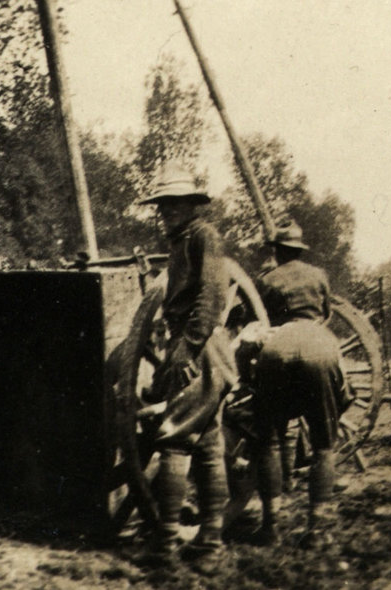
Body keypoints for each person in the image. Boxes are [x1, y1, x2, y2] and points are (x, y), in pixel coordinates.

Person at [134, 163, 236, 572]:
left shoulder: (203, 236)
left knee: (173, 439)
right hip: (198, 345)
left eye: (176, 204)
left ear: (192, 205)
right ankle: (209, 544)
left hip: (201, 347)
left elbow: (212, 295)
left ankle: (165, 545)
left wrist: (187, 349)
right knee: (209, 445)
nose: (167, 212)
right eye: (163, 205)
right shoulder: (183, 242)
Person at [249, 220, 346, 546]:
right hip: (318, 344)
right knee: (323, 445)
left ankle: (270, 526)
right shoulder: (319, 275)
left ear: (276, 251)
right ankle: (317, 529)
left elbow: (256, 319)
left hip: (277, 347)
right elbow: (327, 314)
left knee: (269, 441)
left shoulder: (267, 279)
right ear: (300, 249)